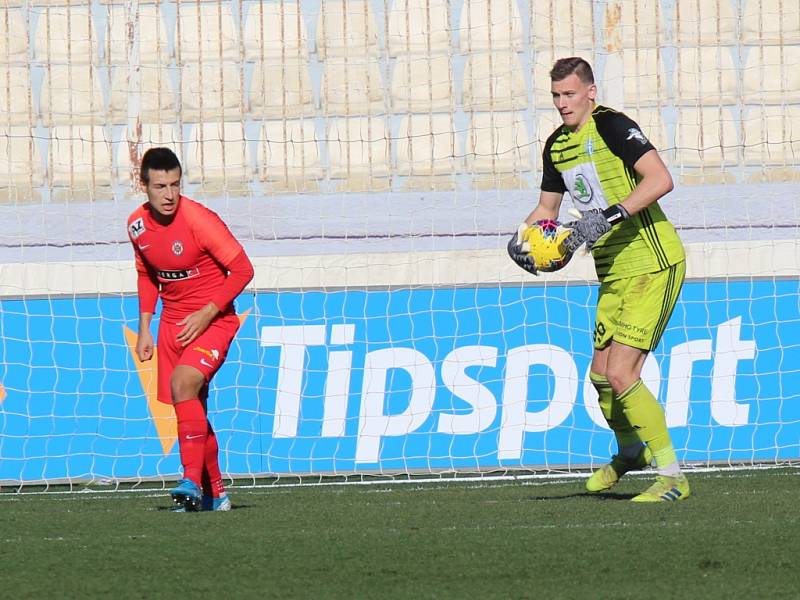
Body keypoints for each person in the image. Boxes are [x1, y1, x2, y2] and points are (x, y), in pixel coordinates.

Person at [508, 57, 689, 502]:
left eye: (569, 94)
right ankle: (630, 452)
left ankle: (673, 478)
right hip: (612, 270)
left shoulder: (612, 127)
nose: (562, 103)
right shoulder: (556, 146)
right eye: (555, 95)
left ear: (590, 91)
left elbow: (660, 179)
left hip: (652, 261)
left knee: (624, 372)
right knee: (601, 376)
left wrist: (606, 218)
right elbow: (547, 211)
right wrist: (520, 240)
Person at [127, 147, 254, 511]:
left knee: (183, 384)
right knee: (191, 407)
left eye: (176, 185)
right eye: (161, 186)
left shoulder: (199, 219)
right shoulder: (137, 225)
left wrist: (207, 312)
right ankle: (215, 493)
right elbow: (146, 274)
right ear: (144, 186)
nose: (169, 195)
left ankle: (189, 480)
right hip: (171, 325)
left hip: (212, 321)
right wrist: (145, 328)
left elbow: (243, 269)